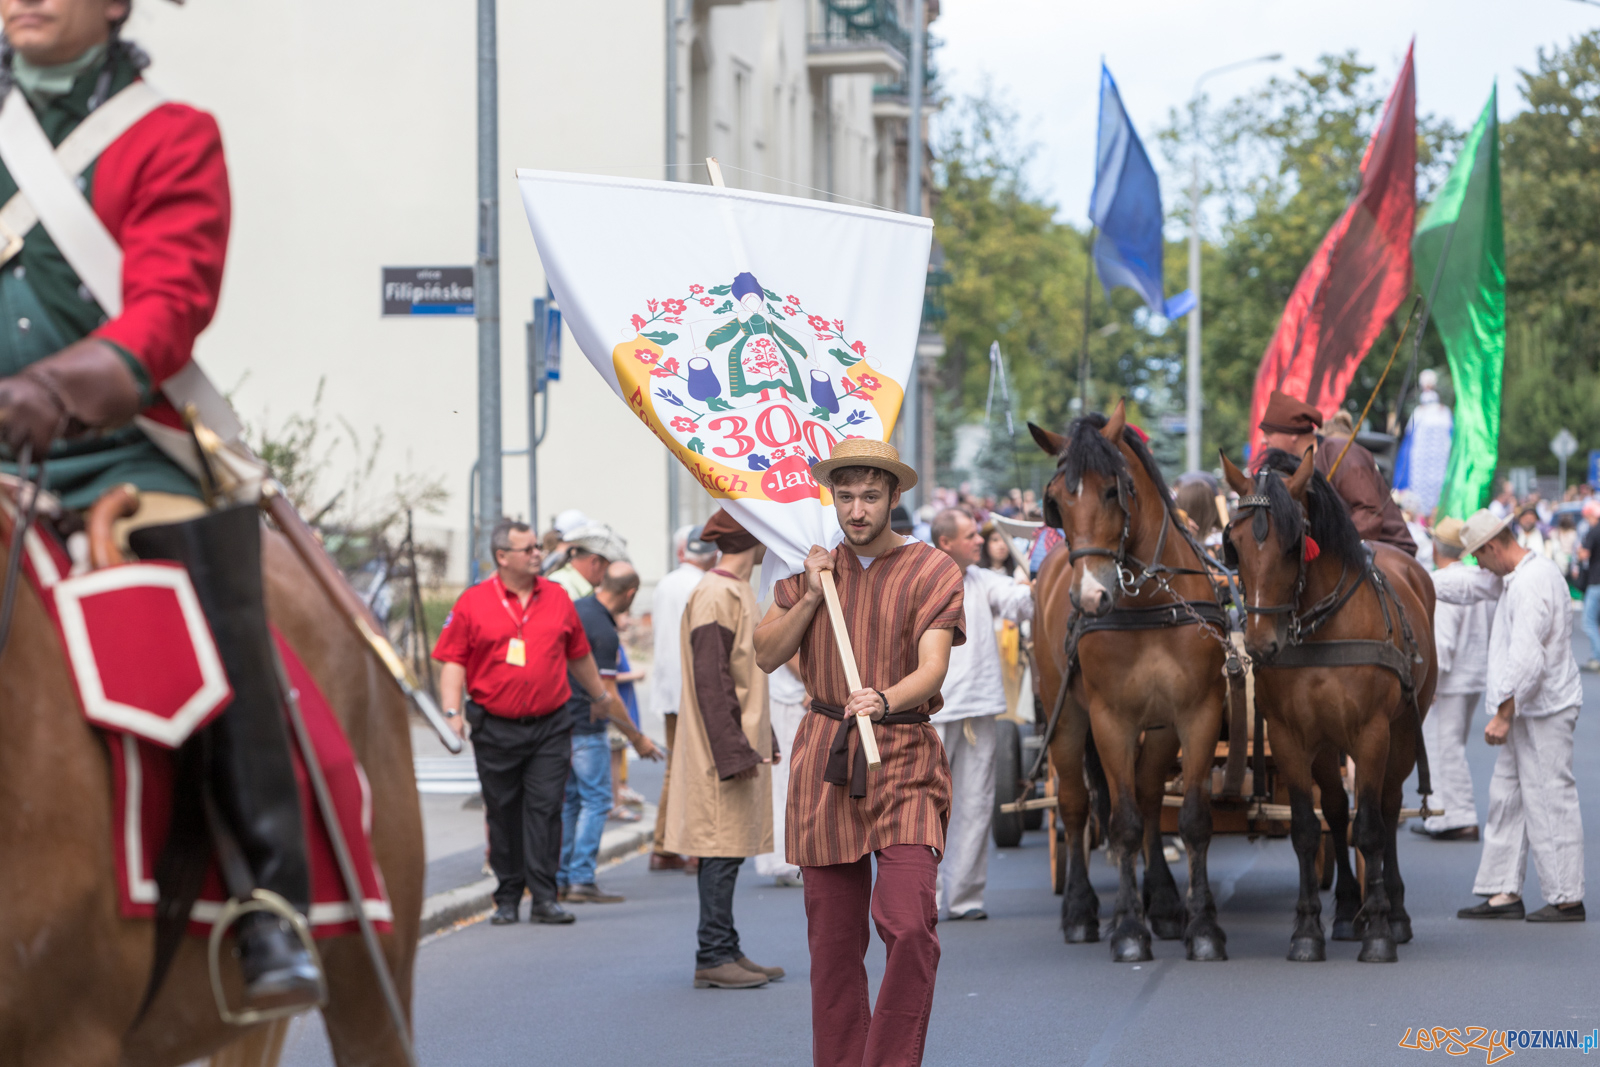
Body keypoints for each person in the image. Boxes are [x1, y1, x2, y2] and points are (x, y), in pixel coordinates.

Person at [0, 0, 325, 1004]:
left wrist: (58, 388)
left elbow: (170, 299)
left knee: (214, 589)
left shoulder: (171, 135)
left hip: (116, 457)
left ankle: (271, 901)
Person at [754, 438, 964, 1067]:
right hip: (825, 757)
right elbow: (766, 653)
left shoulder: (934, 569)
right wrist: (816, 596)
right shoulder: (809, 573)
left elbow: (932, 669)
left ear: (895, 498)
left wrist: (883, 698)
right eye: (845, 496)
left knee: (909, 927)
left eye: (870, 496)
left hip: (903, 754)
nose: (857, 509)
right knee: (834, 947)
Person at [435, 520, 621, 926]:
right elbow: (453, 661)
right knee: (503, 813)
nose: (539, 553)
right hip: (495, 725)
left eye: (538, 546)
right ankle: (506, 897)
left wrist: (600, 696)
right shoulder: (474, 602)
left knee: (545, 810)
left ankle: (544, 897)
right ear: (503, 557)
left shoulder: (556, 597)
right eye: (529, 548)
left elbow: (578, 655)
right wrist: (451, 715)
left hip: (550, 724)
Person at [1434, 510, 1585, 923]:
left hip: (1543, 708)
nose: (1477, 564)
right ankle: (1504, 891)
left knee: (1550, 800)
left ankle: (1567, 897)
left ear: (1492, 547)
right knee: (1508, 798)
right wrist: (1410, 576)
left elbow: (1527, 659)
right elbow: (1466, 583)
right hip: (1532, 707)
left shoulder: (1530, 582)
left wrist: (1503, 714)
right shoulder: (1516, 573)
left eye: (1478, 556)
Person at [662, 509, 785, 989]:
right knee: (719, 848)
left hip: (732, 739)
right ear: (753, 541)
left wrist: (762, 736)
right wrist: (735, 750)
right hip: (720, 746)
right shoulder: (717, 592)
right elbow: (711, 680)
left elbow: (742, 678)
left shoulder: (731, 590)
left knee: (729, 847)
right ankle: (712, 954)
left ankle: (726, 946)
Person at [929, 508, 1032, 921]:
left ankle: (965, 898)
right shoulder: (922, 580)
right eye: (970, 535)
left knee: (975, 805)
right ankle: (927, 897)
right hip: (931, 714)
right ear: (945, 543)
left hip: (979, 709)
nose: (979, 540)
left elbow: (1020, 603)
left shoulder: (983, 580)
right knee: (929, 808)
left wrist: (1035, 586)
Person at [557, 560, 662, 904]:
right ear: (630, 594)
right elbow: (607, 694)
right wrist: (638, 738)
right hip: (586, 726)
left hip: (561, 721)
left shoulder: (577, 609)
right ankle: (582, 878)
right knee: (598, 799)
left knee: (572, 800)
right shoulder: (602, 630)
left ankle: (561, 876)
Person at [1256, 390, 1416, 555]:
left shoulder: (1342, 454)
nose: (1263, 440)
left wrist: (1327, 543)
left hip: (1389, 553)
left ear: (1293, 434)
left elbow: (1369, 513)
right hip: (1339, 560)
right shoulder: (1290, 469)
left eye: (1269, 433)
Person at [1412, 518, 1492, 841]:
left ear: (1435, 547)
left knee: (1444, 749)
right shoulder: (1474, 577)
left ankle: (1457, 816)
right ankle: (1443, 814)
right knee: (1448, 747)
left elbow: (1441, 641)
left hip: (1448, 680)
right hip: (1471, 674)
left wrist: (1429, 681)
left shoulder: (1442, 583)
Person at [648, 523, 717, 870]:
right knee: (697, 769)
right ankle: (693, 847)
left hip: (667, 687)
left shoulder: (665, 583)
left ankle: (664, 845)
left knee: (676, 768)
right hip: (695, 688)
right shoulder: (705, 585)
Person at [753, 652, 807, 888]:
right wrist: (814, 686)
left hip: (790, 696)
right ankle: (784, 861)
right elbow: (788, 651)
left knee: (787, 779)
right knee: (786, 779)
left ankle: (786, 859)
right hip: (789, 698)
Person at [548, 522, 628, 600]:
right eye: (610, 567)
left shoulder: (577, 588)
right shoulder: (561, 588)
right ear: (595, 562)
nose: (611, 575)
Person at [1579, 501, 1600, 672]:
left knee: (1588, 621)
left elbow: (1584, 554)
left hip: (1596, 581)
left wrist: (1579, 551)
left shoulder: (1593, 531)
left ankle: (1597, 656)